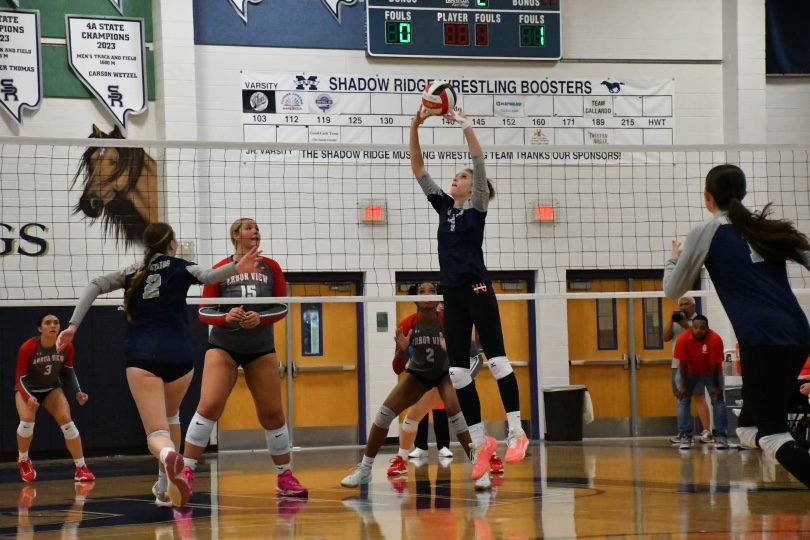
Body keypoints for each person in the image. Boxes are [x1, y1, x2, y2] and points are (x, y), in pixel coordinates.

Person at [57, 222, 263, 507]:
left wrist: (72, 327)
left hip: (143, 358)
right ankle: (164, 489)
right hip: (180, 358)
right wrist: (237, 266)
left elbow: (95, 285)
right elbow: (211, 276)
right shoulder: (182, 266)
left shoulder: (132, 272)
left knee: (156, 435)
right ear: (171, 244)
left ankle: (168, 457)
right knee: (172, 416)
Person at [664, 163, 810, 488]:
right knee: (748, 428)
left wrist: (673, 259)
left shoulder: (708, 230)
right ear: (742, 194)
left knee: (772, 435)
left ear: (707, 196)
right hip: (798, 333)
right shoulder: (764, 226)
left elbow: (673, 290)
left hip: (762, 338)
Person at [410, 107, 528, 488]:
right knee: (458, 372)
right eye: (457, 177)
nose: (455, 179)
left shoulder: (477, 205)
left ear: (474, 186)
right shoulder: (444, 207)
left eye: (461, 177)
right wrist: (414, 126)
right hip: (453, 295)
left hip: (477, 288)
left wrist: (466, 126)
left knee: (495, 361)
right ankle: (480, 444)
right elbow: (418, 170)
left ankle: (516, 430)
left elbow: (478, 161)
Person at [185, 217, 307, 498]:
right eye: (250, 227)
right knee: (210, 405)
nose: (256, 232)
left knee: (272, 413)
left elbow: (282, 308)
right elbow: (204, 312)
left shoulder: (271, 267)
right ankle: (187, 471)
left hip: (260, 348)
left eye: (257, 228)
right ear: (236, 235)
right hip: (223, 346)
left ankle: (285, 477)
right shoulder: (221, 269)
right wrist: (226, 317)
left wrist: (260, 318)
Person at [341, 282, 476, 488]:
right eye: (422, 291)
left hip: (443, 374)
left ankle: (478, 466)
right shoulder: (407, 325)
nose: (428, 294)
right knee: (383, 415)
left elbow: (469, 355)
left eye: (432, 291)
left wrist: (452, 351)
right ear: (414, 298)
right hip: (418, 374)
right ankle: (366, 469)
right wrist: (403, 351)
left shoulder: (449, 322)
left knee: (455, 413)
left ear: (439, 297)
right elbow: (397, 368)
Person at [387, 286, 501, 478]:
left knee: (466, 413)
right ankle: (401, 459)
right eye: (423, 295)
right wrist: (405, 354)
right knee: (414, 414)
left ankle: (490, 455)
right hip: (432, 375)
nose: (430, 301)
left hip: (457, 370)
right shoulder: (412, 325)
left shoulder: (447, 318)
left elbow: (472, 352)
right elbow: (406, 359)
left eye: (433, 297)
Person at [15, 314, 94, 483]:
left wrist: (77, 391)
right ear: (40, 328)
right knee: (27, 420)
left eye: (56, 323)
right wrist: (28, 397)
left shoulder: (66, 346)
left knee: (67, 421)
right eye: (48, 323)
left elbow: (68, 371)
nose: (53, 325)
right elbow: (20, 378)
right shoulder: (28, 347)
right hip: (28, 389)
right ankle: (23, 460)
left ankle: (81, 468)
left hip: (51, 389)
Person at [673, 315, 728, 449]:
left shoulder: (715, 339)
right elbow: (683, 363)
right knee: (683, 399)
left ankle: (721, 437)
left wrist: (715, 387)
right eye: (696, 327)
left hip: (710, 372)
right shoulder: (683, 339)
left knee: (718, 400)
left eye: (702, 328)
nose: (698, 331)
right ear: (692, 327)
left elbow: (714, 365)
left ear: (707, 328)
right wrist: (684, 386)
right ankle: (685, 436)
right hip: (688, 371)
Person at [664, 296, 713, 444]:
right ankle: (684, 433)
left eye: (686, 304)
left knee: (698, 397)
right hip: (677, 364)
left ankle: (707, 432)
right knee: (681, 399)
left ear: (693, 306)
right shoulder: (677, 320)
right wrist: (672, 320)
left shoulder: (699, 321)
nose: (683, 307)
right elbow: (665, 337)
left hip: (695, 365)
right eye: (681, 305)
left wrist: (685, 324)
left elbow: (698, 335)